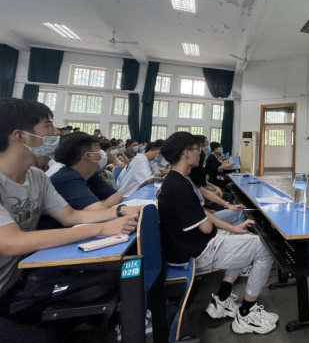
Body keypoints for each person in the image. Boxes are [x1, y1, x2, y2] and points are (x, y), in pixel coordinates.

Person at [0, 99, 139, 342]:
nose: (56, 132)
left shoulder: (36, 177)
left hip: (14, 286)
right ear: (21, 136)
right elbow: (11, 243)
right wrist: (102, 229)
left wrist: (122, 212)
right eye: (48, 125)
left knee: (103, 289)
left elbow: (71, 216)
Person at [158, 132, 278, 335]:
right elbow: (205, 226)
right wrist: (221, 227)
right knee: (265, 247)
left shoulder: (179, 180)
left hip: (194, 245)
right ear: (186, 153)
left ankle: (222, 298)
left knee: (244, 238)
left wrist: (232, 229)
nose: (200, 153)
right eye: (197, 149)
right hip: (195, 254)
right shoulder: (178, 186)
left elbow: (201, 213)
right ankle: (246, 313)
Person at [38, 134, 138, 229]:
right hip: (58, 234)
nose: (102, 153)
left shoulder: (90, 174)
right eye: (98, 149)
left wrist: (101, 208)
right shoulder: (66, 178)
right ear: (89, 156)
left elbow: (117, 196)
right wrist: (101, 209)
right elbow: (98, 211)